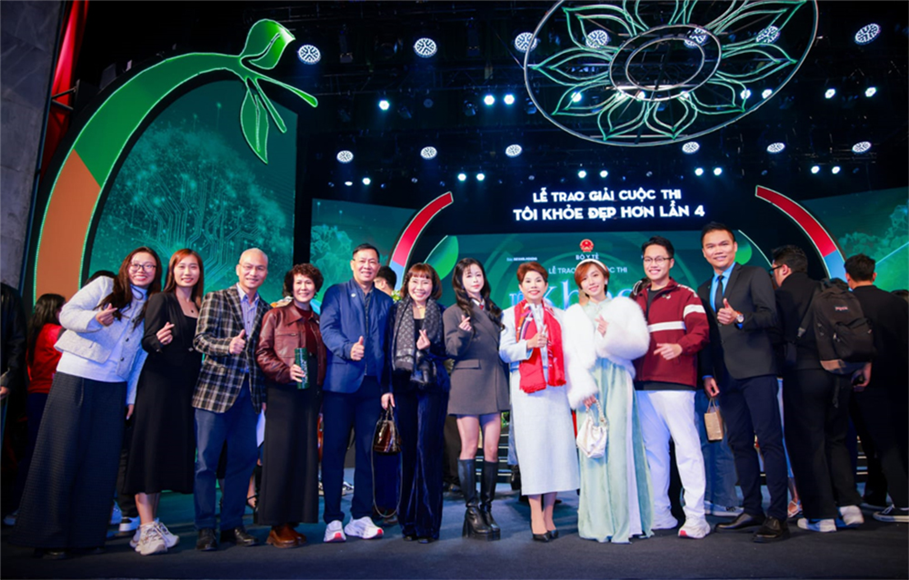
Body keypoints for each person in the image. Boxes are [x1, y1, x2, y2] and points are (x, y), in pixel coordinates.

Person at [12, 247, 161, 559]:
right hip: (76, 376)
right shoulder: (105, 285)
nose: (141, 270)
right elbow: (67, 314)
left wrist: (130, 396)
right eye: (136, 264)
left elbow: (139, 358)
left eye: (149, 266)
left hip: (114, 386)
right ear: (127, 266)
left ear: (156, 272)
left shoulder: (151, 304)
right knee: (61, 456)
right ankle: (49, 537)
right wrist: (94, 318)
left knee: (100, 463)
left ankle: (86, 535)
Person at [697, 222, 789, 543]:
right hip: (725, 377)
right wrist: (707, 373)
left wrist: (739, 318)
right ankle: (752, 509)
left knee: (769, 442)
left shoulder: (754, 275)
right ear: (704, 252)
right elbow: (708, 337)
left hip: (757, 371)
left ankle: (778, 515)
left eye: (723, 244)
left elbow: (770, 316)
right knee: (738, 444)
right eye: (711, 246)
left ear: (735, 247)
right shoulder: (703, 288)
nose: (718, 250)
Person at [770, 245, 865, 533]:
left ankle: (821, 515)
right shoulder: (826, 289)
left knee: (807, 443)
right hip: (839, 373)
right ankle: (850, 506)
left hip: (803, 374)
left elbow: (774, 335)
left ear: (784, 268)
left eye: (774, 270)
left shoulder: (781, 295)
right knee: (836, 439)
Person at [563, 259, 652, 544]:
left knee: (621, 447)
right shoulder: (573, 314)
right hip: (590, 386)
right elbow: (569, 356)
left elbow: (640, 345)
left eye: (595, 275)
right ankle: (599, 522)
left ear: (605, 278)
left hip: (618, 380)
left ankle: (628, 521)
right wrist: (582, 388)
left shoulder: (625, 307)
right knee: (594, 450)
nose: (590, 282)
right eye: (584, 278)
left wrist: (610, 333)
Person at [124, 249, 205, 555]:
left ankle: (150, 524)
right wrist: (160, 340)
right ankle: (145, 527)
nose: (187, 272)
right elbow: (147, 340)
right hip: (158, 387)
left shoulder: (199, 305)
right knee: (149, 452)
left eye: (193, 267)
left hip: (185, 390)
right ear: (172, 270)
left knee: (163, 457)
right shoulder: (161, 299)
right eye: (181, 266)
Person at [630, 237, 711, 539]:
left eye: (659, 259)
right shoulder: (636, 300)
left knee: (688, 450)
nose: (653, 264)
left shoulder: (686, 295)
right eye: (648, 259)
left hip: (676, 385)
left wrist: (680, 346)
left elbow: (701, 332)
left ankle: (696, 518)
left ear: (671, 262)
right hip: (643, 386)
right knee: (654, 453)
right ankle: (660, 514)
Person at [192, 248, 271, 551]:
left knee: (243, 461)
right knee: (206, 463)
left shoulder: (266, 309)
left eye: (260, 268)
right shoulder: (216, 298)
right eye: (248, 267)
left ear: (266, 273)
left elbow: (262, 356)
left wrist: (264, 396)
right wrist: (227, 346)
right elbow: (200, 339)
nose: (253, 273)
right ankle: (204, 528)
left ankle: (232, 525)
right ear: (238, 269)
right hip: (214, 394)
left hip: (249, 397)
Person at [319, 243, 393, 543]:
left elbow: (388, 347)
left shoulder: (385, 301)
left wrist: (387, 387)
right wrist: (347, 348)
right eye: (362, 261)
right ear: (352, 264)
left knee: (367, 453)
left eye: (372, 261)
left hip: (372, 386)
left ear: (378, 266)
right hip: (339, 384)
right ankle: (333, 519)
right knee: (334, 451)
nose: (367, 266)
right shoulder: (336, 293)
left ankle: (360, 516)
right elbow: (327, 329)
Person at [499, 262, 578, 542]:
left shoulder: (560, 315)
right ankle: (535, 514)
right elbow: (504, 352)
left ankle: (549, 513)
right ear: (520, 287)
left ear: (546, 285)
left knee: (557, 449)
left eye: (538, 280)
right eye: (528, 281)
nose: (534, 285)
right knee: (533, 452)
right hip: (527, 391)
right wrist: (528, 344)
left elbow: (571, 353)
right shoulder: (509, 315)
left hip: (556, 390)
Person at [255, 264, 327, 548]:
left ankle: (293, 519)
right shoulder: (275, 315)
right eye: (299, 283)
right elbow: (262, 352)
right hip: (283, 393)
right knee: (281, 457)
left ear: (316, 287)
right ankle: (276, 523)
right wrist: (285, 371)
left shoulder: (318, 320)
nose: (304, 287)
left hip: (309, 396)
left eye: (309, 283)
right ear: (290, 286)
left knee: (303, 457)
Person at [382, 263, 450, 543]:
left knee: (427, 450)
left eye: (425, 281)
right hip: (402, 387)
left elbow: (447, 351)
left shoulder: (442, 312)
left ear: (433, 286)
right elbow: (386, 351)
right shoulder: (395, 312)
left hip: (432, 387)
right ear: (407, 283)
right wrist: (386, 388)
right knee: (408, 451)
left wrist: (430, 348)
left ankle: (428, 524)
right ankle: (408, 521)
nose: (419, 286)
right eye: (415, 280)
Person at [443, 258, 508, 540]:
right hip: (467, 383)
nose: (475, 280)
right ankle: (471, 512)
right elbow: (451, 349)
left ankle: (487, 509)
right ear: (460, 281)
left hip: (493, 381)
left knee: (491, 450)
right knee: (469, 447)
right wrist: (462, 332)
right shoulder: (453, 312)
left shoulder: (494, 310)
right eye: (468, 276)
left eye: (478, 274)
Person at [844, 253, 909, 523]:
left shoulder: (847, 304)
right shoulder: (897, 303)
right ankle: (877, 496)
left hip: (864, 384)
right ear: (874, 274)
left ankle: (902, 502)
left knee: (879, 444)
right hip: (900, 381)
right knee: (899, 439)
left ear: (848, 277)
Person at [6, 294, 66, 526]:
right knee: (45, 454)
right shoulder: (54, 332)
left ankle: (19, 507)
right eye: (63, 308)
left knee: (34, 452)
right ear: (54, 310)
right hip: (50, 395)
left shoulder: (35, 333)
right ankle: (24, 508)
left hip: (36, 394)